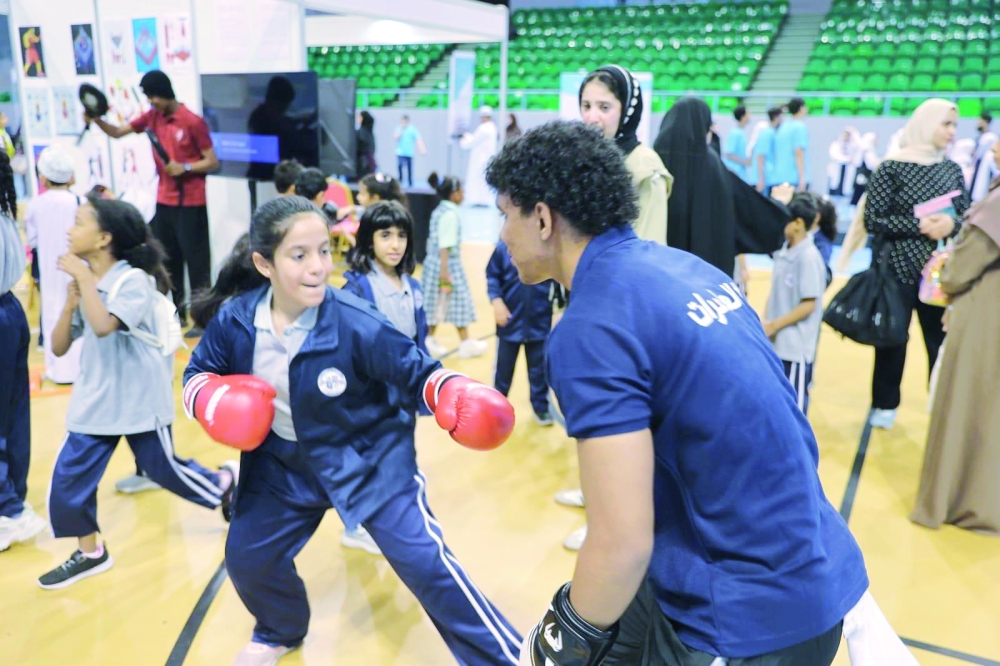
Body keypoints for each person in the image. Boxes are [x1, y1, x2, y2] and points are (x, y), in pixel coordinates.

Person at [485, 120, 915, 666]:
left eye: (506, 214)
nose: (503, 234)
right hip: (818, 567)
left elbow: (623, 541)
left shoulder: (592, 325)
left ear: (542, 218)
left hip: (747, 618)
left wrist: (565, 638)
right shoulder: (689, 269)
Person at [183, 195, 521, 666]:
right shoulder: (237, 321)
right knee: (248, 557)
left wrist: (451, 392)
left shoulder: (355, 321)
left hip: (367, 459)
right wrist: (209, 398)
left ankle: (509, 658)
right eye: (299, 256)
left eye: (324, 251)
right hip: (281, 467)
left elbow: (417, 370)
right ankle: (280, 627)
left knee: (426, 565)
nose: (318, 267)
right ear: (264, 263)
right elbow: (197, 371)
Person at [38, 198, 237, 590]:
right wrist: (69, 303)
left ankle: (224, 485)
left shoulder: (134, 282)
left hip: (140, 400)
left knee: (166, 471)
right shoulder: (87, 283)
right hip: (96, 402)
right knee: (67, 482)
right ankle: (91, 552)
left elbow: (104, 325)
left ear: (103, 239)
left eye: (79, 224)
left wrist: (83, 279)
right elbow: (59, 347)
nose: (69, 231)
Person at [85, 69, 218, 340]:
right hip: (164, 201)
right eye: (149, 97)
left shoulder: (192, 121)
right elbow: (118, 132)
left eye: (155, 96)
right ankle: (175, 313)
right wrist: (96, 119)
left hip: (191, 202)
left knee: (197, 264)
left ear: (166, 92)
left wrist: (186, 166)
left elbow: (212, 161)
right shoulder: (151, 117)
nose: (152, 102)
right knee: (168, 260)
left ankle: (204, 321)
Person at [864, 99, 970, 430]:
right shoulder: (891, 167)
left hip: (938, 275)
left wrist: (950, 226)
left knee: (939, 342)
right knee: (892, 340)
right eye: (946, 124)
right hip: (895, 271)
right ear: (926, 124)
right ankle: (884, 403)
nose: (952, 132)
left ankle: (940, 404)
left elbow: (965, 214)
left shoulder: (951, 169)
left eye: (954, 125)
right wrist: (922, 225)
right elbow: (873, 219)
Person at [910, 148, 1000, 535]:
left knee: (968, 404)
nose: (994, 148)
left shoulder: (995, 206)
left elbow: (961, 268)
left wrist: (945, 279)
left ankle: (960, 500)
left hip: (985, 314)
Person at [340, 199, 429, 555]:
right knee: (366, 457)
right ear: (368, 239)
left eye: (401, 235)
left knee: (400, 451)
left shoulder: (413, 285)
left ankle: (390, 516)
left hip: (403, 389)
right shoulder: (358, 288)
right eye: (385, 235)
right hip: (370, 392)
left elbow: (418, 341)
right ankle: (354, 524)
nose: (395, 244)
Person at [653, 97, 789, 277]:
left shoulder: (654, 164)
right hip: (705, 283)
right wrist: (780, 205)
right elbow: (748, 213)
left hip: (659, 275)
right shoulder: (713, 168)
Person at [0, 150, 46, 553]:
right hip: (9, 311)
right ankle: (13, 500)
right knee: (13, 414)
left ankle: (7, 509)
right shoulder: (4, 204)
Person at [580, 65, 672, 245]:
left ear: (626, 111)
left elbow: (648, 245)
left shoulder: (645, 166)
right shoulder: (583, 161)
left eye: (604, 107)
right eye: (586, 106)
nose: (592, 118)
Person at [25, 146, 83, 385]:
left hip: (49, 267)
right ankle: (79, 368)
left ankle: (56, 369)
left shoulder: (35, 204)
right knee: (77, 313)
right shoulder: (79, 201)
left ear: (43, 177)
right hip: (76, 266)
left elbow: (33, 241)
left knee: (51, 312)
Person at [763, 194, 826, 415]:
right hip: (777, 345)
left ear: (798, 223)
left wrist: (774, 325)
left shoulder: (807, 257)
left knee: (794, 412)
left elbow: (808, 304)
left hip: (795, 349)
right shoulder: (785, 251)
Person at [487, 240, 554, 426]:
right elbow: (492, 275)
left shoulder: (548, 246)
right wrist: (496, 301)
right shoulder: (504, 246)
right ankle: (496, 409)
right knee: (503, 372)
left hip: (539, 323)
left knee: (539, 372)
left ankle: (541, 408)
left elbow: (559, 281)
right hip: (509, 323)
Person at [421, 173, 487, 358]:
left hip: (438, 264)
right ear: (454, 194)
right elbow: (445, 244)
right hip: (446, 265)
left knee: (440, 302)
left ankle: (436, 339)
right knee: (454, 302)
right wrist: (445, 271)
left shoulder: (441, 210)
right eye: (461, 191)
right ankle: (458, 342)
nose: (463, 194)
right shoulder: (449, 215)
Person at [459, 106, 498, 207]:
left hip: (480, 159)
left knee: (479, 179)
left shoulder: (484, 128)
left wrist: (464, 138)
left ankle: (479, 200)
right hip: (486, 158)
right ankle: (482, 200)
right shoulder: (492, 127)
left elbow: (473, 141)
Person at [773, 97, 810, 192]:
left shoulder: (783, 127)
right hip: (794, 177)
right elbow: (798, 152)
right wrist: (802, 177)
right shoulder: (799, 127)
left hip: (780, 175)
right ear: (801, 108)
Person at [751, 107, 783, 194]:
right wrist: (761, 179)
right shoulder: (767, 133)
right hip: (766, 179)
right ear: (776, 117)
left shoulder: (772, 132)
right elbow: (760, 155)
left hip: (770, 177)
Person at [971, 111, 998, 202]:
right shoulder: (981, 137)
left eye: (979, 120)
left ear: (985, 122)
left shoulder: (990, 138)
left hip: (985, 171)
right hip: (978, 169)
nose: (977, 123)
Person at [394, 115, 426, 187]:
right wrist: (401, 130)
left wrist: (422, 149)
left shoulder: (412, 129)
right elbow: (395, 137)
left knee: (409, 168)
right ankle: (400, 180)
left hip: (409, 153)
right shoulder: (399, 128)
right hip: (400, 152)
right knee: (400, 166)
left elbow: (418, 139)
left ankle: (410, 183)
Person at [723, 106, 753, 181]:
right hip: (735, 171)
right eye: (748, 113)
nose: (750, 115)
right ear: (743, 117)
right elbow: (729, 153)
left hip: (741, 172)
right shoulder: (735, 133)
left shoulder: (741, 132)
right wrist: (745, 162)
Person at [356, 111, 376, 178]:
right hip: (369, 162)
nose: (357, 119)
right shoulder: (369, 132)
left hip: (362, 164)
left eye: (359, 117)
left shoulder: (361, 132)